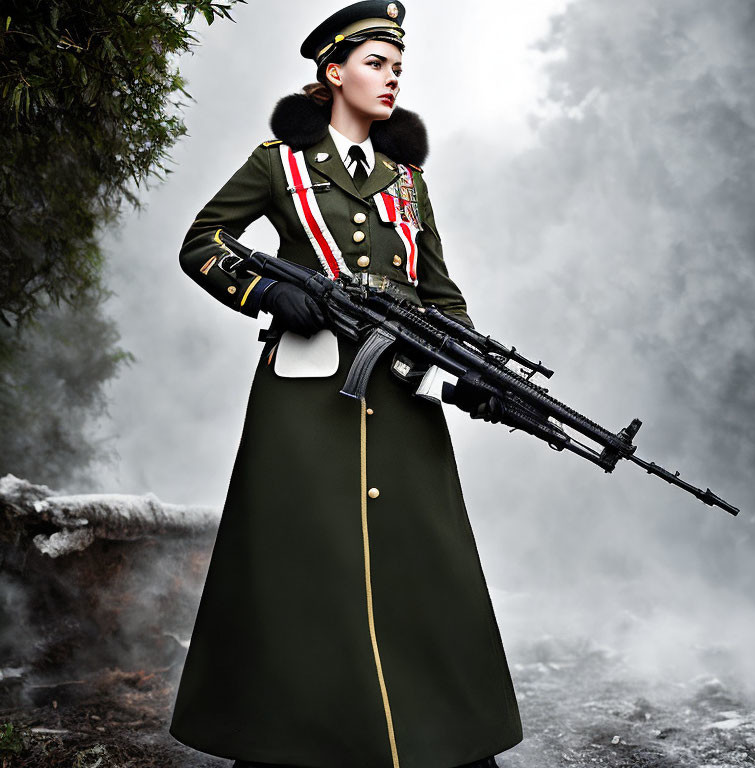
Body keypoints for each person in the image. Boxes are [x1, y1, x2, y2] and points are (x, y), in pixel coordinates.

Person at [168, 2, 523, 766]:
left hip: (399, 394)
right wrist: (265, 294)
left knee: (425, 562)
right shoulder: (278, 164)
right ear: (334, 72)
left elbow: (439, 292)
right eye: (375, 63)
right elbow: (203, 243)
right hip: (305, 398)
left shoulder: (407, 181)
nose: (391, 78)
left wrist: (475, 371)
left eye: (397, 68)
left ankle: (446, 739)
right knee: (296, 563)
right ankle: (280, 741)